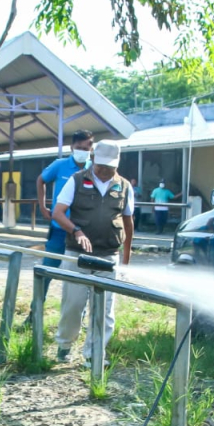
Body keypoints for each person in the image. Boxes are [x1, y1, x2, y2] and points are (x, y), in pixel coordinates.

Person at [52, 139, 134, 366]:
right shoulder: (76, 181)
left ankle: (94, 354)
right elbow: (58, 213)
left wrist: (126, 260)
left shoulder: (124, 186)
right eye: (101, 167)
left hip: (108, 255)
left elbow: (128, 222)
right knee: (73, 305)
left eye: (110, 168)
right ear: (93, 160)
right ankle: (65, 344)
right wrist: (76, 231)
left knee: (104, 309)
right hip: (77, 255)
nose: (105, 172)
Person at [36, 130, 92, 268]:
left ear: (91, 149)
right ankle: (41, 290)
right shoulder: (59, 165)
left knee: (81, 269)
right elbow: (41, 180)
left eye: (86, 149)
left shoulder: (94, 168)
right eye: (79, 148)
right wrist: (42, 207)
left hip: (85, 229)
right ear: (71, 147)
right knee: (49, 266)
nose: (82, 151)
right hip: (59, 227)